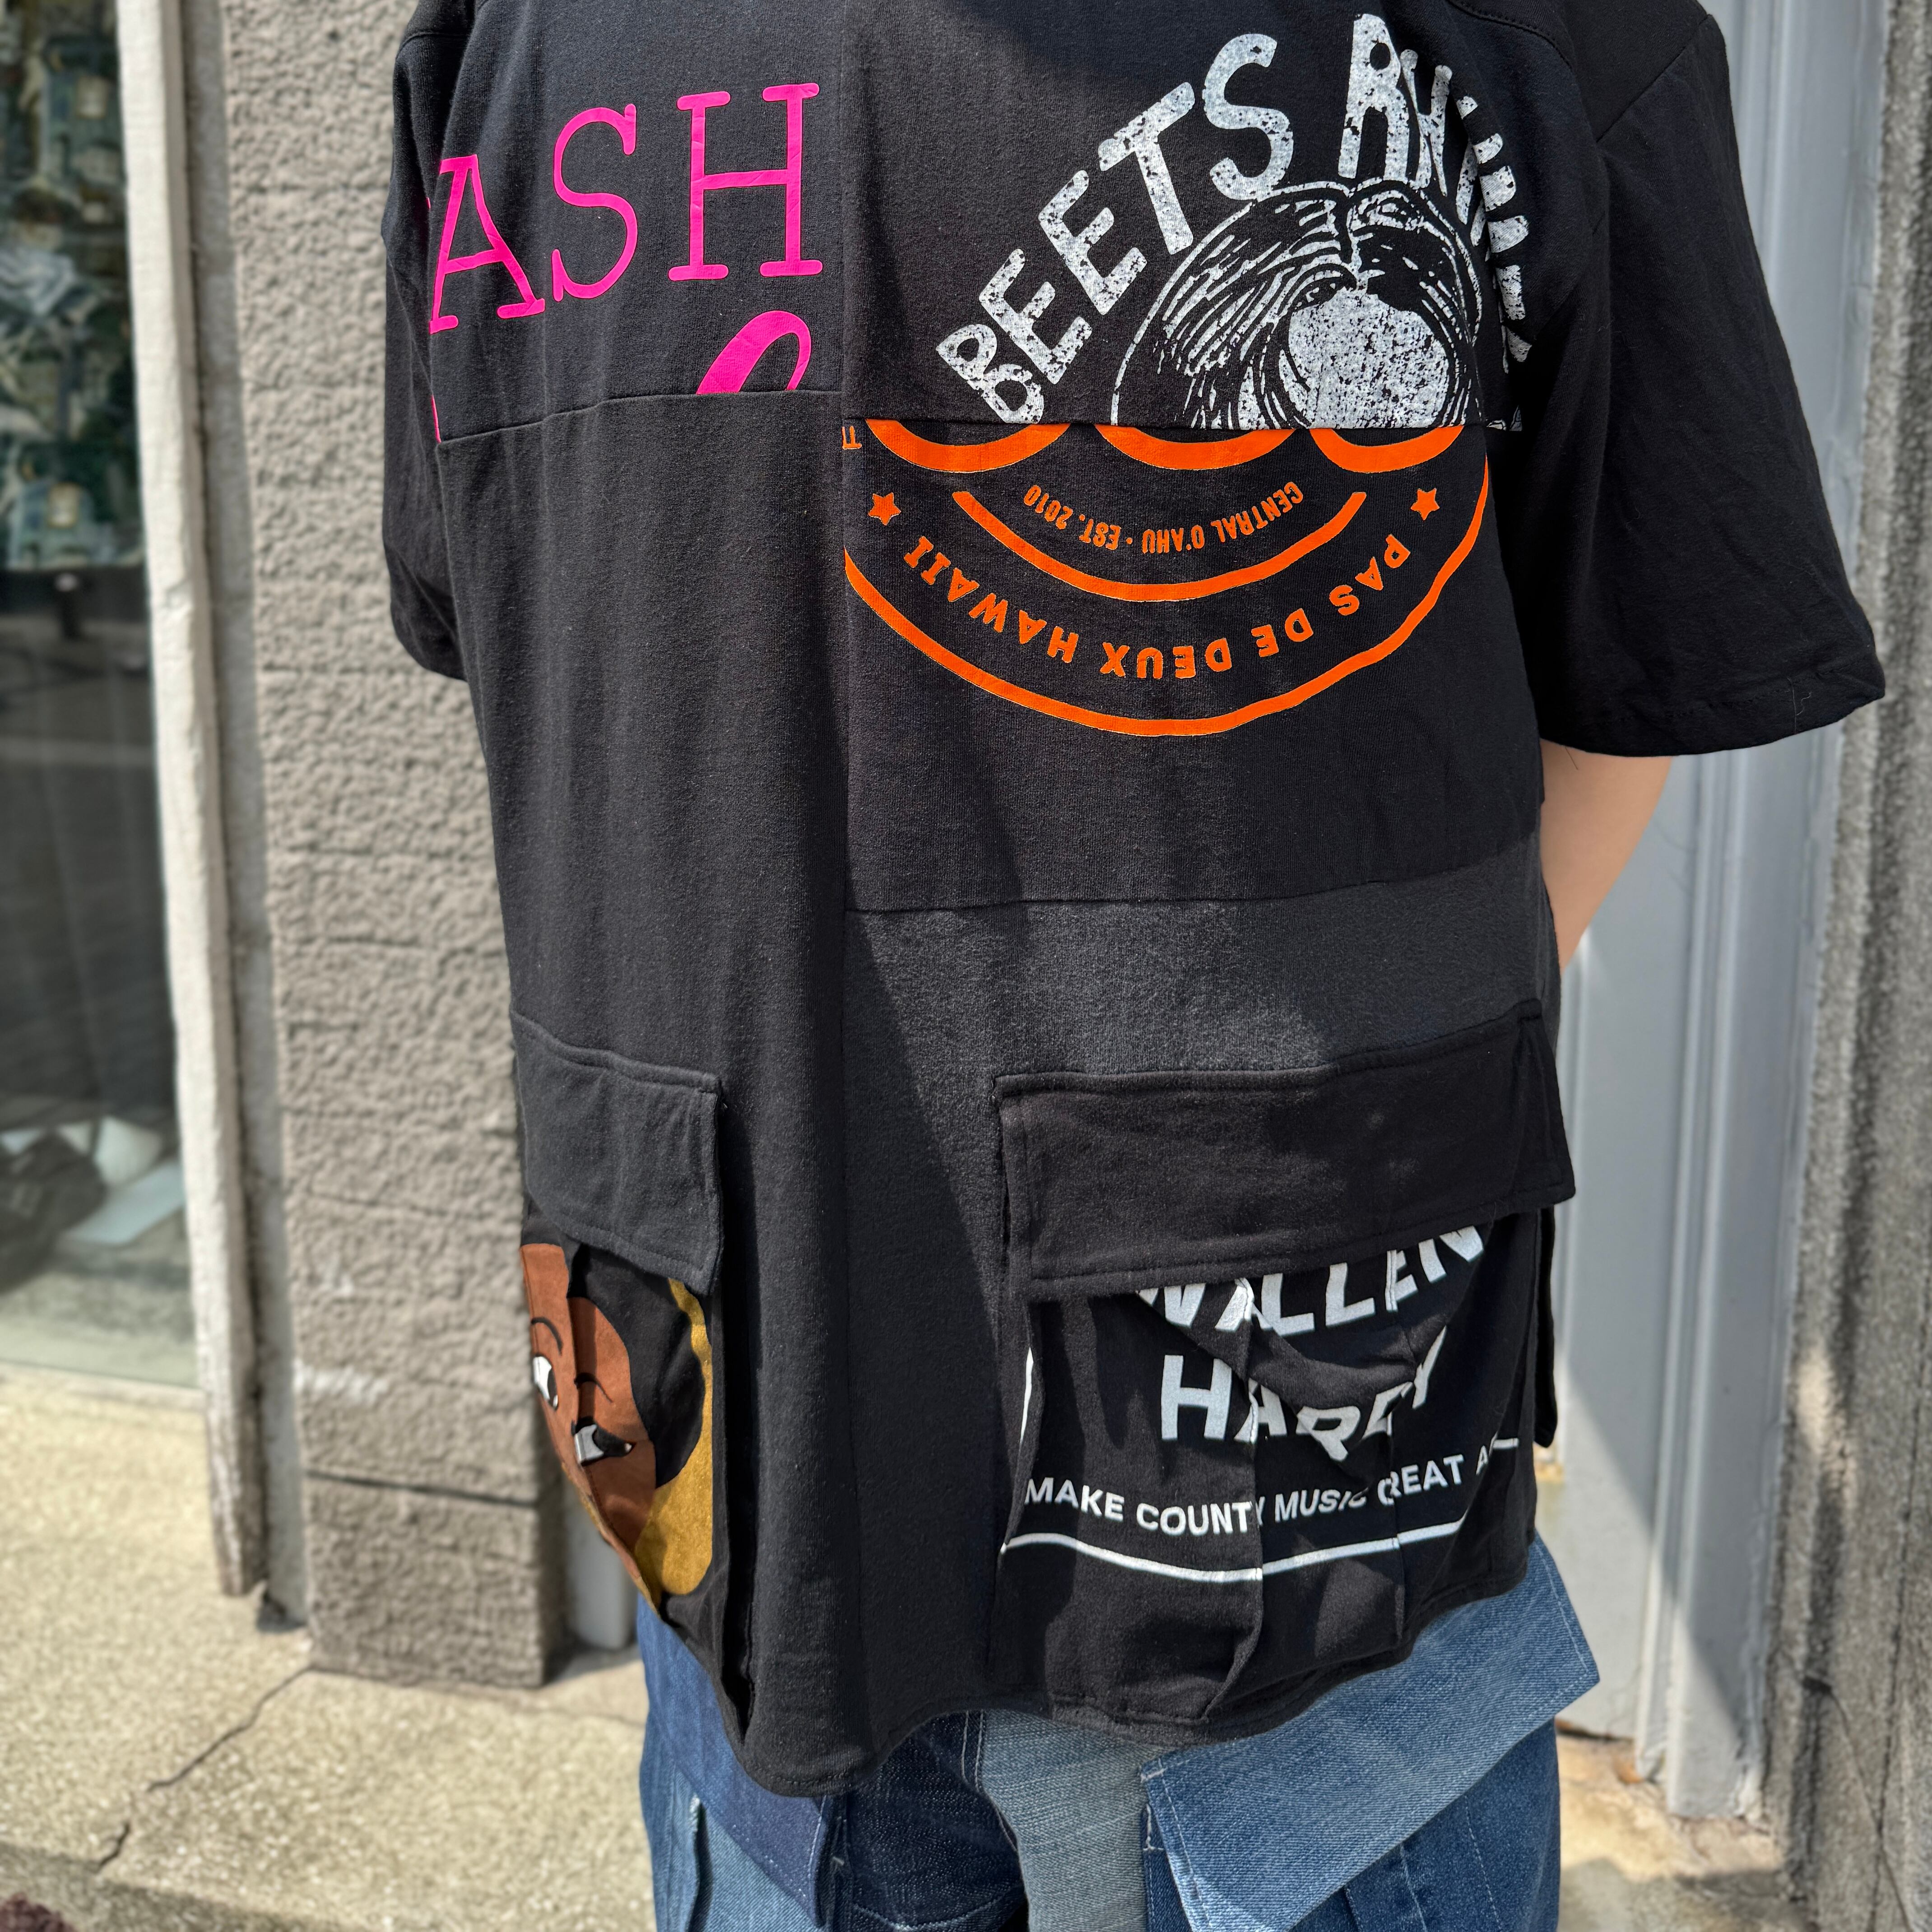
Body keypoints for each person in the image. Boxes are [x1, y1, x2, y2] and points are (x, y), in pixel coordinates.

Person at [382, 0, 1882, 1925]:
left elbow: (1644, 651)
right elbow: (556, 644)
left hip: (1280, 1623)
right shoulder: (495, 40)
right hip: (759, 1550)